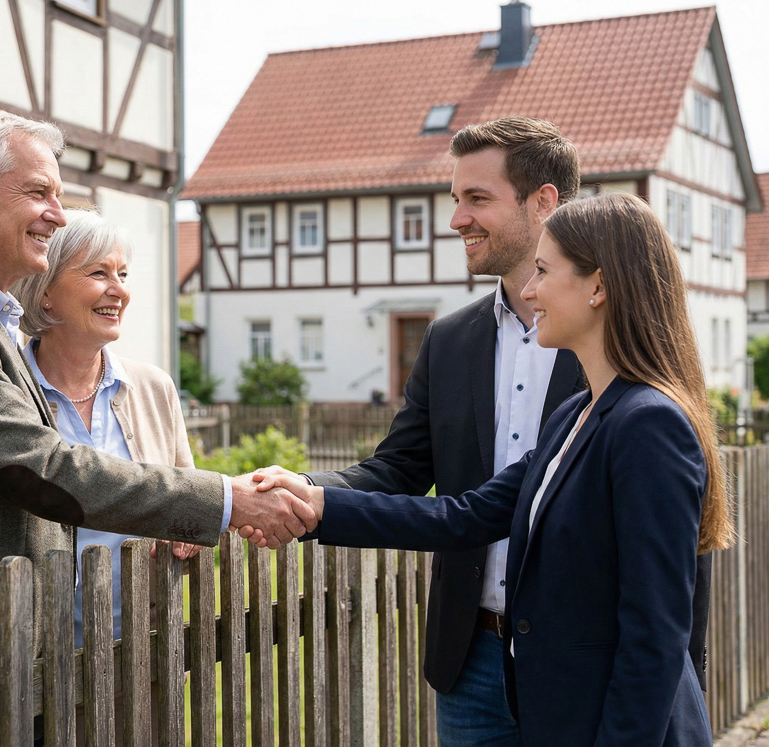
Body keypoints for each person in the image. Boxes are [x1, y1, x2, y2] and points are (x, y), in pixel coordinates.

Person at [0, 109, 312, 693]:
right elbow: (38, 469)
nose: (58, 214)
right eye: (38, 192)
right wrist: (224, 499)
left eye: (58, 196)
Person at [263, 192, 734, 746]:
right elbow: (465, 516)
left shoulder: (649, 424)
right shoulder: (575, 416)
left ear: (599, 287)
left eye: (543, 271)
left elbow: (654, 636)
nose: (529, 291)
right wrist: (315, 501)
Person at [259, 117, 584, 744]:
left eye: (477, 198)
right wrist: (302, 489)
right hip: (471, 660)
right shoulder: (449, 340)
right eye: (455, 198)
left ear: (543, 201)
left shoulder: (610, 338)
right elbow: (399, 469)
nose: (457, 219)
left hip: (579, 656)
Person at [11, 208, 193, 645]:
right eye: (99, 273)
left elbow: (187, 497)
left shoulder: (154, 388)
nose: (119, 290)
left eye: (123, 274)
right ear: (46, 292)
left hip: (146, 646)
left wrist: (185, 534)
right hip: (39, 655)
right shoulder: (8, 392)